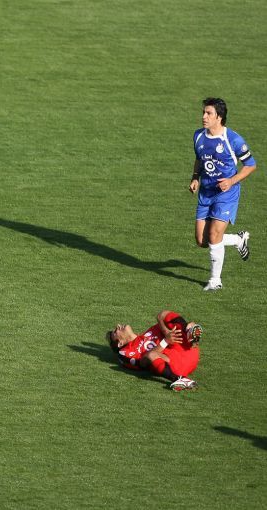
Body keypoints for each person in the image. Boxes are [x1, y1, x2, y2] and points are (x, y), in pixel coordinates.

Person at [189, 97, 256, 291]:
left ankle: (215, 281)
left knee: (214, 234)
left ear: (219, 117)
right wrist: (195, 178)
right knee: (202, 241)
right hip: (206, 193)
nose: (204, 116)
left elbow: (251, 165)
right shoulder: (198, 136)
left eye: (208, 113)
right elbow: (199, 158)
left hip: (226, 194)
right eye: (203, 112)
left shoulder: (233, 139)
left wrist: (231, 181)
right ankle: (237, 239)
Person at [107, 310, 202, 391]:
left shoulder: (147, 333)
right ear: (120, 343)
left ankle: (190, 334)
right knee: (150, 355)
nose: (118, 326)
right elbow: (142, 363)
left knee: (162, 316)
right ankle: (179, 379)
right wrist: (166, 341)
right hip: (176, 366)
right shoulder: (125, 352)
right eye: (115, 331)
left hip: (188, 349)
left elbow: (163, 317)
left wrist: (166, 332)